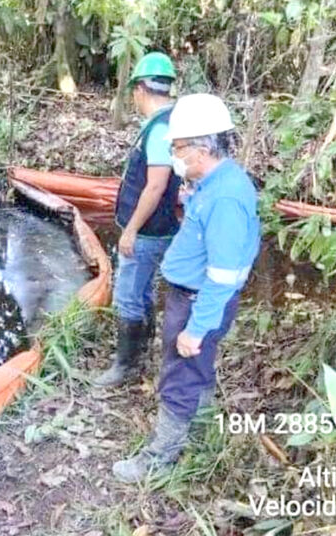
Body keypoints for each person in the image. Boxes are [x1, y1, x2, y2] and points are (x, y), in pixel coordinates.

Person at [112, 94, 261, 482]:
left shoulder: (226, 196)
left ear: (202, 148)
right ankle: (201, 429)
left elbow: (223, 275)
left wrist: (196, 328)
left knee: (180, 374)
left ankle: (159, 458)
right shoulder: (215, 183)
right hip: (191, 297)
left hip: (198, 302)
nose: (174, 157)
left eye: (178, 149)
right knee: (197, 368)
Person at [94, 52, 183, 387]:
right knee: (143, 291)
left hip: (147, 231)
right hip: (163, 227)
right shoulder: (172, 122)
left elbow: (157, 183)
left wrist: (130, 229)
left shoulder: (160, 129)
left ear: (140, 90)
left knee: (128, 296)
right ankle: (142, 353)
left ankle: (127, 367)